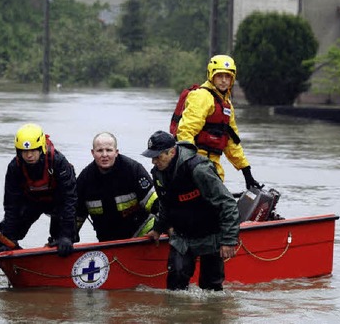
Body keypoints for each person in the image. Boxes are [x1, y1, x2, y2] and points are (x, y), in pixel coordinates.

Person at [0, 123, 77, 286]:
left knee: (64, 240)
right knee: (4, 236)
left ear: (41, 149)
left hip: (58, 203)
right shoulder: (14, 167)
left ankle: (60, 276)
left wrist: (66, 235)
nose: (29, 155)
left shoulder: (59, 162)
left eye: (33, 151)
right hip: (31, 202)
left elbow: (70, 200)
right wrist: (8, 236)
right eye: (24, 151)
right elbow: (11, 205)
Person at [142, 130, 240, 291]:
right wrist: (158, 229)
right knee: (175, 287)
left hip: (211, 233)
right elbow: (165, 204)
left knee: (211, 289)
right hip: (182, 236)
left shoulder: (199, 169)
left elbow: (227, 203)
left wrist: (229, 240)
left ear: (172, 152)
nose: (154, 161)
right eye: (152, 157)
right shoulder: (158, 173)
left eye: (158, 156)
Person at [176, 54, 262, 190]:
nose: (223, 81)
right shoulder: (202, 96)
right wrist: (191, 162)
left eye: (227, 76)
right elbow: (186, 130)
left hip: (213, 167)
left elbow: (232, 142)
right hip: (197, 164)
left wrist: (246, 172)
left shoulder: (226, 104)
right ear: (211, 75)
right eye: (219, 76)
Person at [76, 132, 158, 242]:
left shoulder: (133, 170)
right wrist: (64, 237)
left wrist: (164, 227)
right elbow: (76, 216)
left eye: (109, 150)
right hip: (108, 242)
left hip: (143, 235)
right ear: (92, 153)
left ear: (116, 152)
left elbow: (156, 204)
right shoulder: (84, 180)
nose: (104, 155)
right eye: (100, 150)